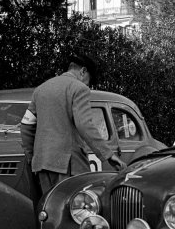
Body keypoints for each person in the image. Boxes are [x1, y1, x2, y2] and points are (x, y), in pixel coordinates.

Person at [20, 53, 126, 196]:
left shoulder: (40, 90)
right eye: (89, 80)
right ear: (83, 71)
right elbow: (84, 124)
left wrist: (33, 157)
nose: (88, 85)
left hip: (42, 164)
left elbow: (26, 125)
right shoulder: (79, 88)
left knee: (50, 211)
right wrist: (108, 154)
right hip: (68, 166)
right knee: (76, 212)